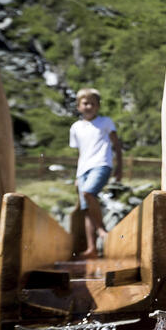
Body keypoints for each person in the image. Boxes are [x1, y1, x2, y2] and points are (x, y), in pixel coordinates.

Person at [69, 87, 122, 259]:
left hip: (102, 164)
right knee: (86, 208)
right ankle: (92, 248)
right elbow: (81, 153)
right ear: (78, 106)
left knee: (89, 193)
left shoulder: (106, 122)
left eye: (93, 103)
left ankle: (101, 229)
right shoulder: (76, 127)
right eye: (85, 103)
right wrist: (77, 176)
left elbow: (116, 145)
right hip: (83, 169)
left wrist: (119, 167)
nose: (89, 106)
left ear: (98, 106)